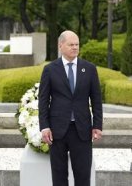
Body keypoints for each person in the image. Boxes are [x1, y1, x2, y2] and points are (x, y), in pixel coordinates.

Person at [39, 30, 103, 186]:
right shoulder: (50, 69)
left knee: (83, 176)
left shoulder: (89, 69)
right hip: (57, 130)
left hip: (82, 130)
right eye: (71, 44)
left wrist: (97, 125)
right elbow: (43, 100)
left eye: (77, 45)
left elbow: (96, 99)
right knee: (59, 177)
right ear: (61, 46)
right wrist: (44, 126)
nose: (75, 48)